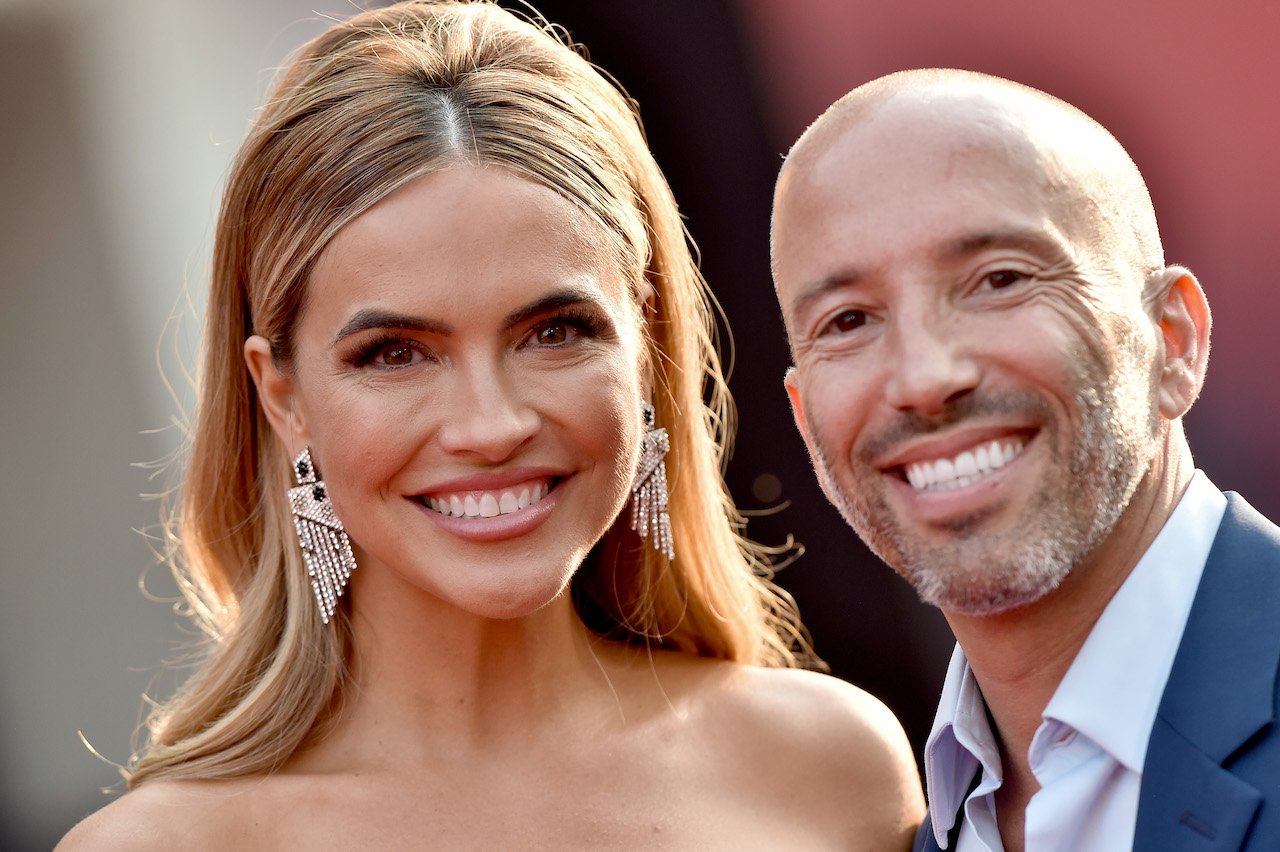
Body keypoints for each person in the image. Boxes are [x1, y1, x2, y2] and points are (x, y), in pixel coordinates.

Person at [59, 2, 924, 848]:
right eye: (395, 353)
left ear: (646, 346)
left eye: (555, 332)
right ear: (282, 397)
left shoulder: (832, 765)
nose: (491, 424)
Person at [770, 67, 1280, 852]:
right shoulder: (894, 822)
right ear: (807, 426)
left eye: (999, 280)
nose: (924, 378)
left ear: (1172, 341)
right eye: (847, 321)